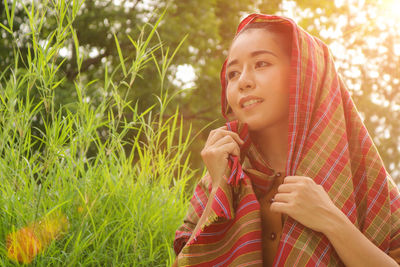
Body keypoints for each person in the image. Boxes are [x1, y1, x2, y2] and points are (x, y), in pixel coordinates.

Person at [172, 13, 400, 266]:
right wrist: (220, 188)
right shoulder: (226, 169)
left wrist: (331, 220)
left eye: (261, 64)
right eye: (233, 73)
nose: (243, 82)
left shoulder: (364, 178)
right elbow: (185, 260)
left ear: (301, 75)